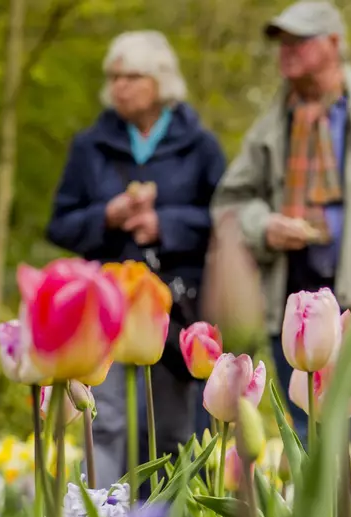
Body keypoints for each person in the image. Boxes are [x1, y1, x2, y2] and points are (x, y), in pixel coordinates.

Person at [211, 1, 351, 447]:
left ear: (334, 43)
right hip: (294, 305)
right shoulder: (269, 127)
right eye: (282, 42)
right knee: (306, 430)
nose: (287, 51)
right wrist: (263, 228)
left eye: (300, 41)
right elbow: (229, 203)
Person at [46, 30, 226, 486]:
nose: (118, 86)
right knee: (102, 423)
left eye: (131, 76)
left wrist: (166, 224)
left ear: (160, 81)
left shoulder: (200, 145)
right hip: (103, 302)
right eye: (114, 77)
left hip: (172, 305)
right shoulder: (90, 146)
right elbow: (60, 223)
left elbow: (226, 219)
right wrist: (107, 215)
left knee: (169, 429)